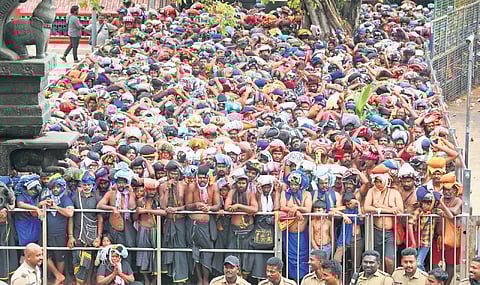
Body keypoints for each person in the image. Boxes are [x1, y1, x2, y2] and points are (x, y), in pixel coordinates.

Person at [186, 164, 221, 285]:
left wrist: (209, 208)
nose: (202, 180)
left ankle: (206, 280)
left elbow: (218, 205)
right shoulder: (191, 186)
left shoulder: (214, 187)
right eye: (199, 177)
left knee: (207, 252)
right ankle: (199, 280)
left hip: (207, 225)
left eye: (204, 178)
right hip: (193, 225)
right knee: (194, 251)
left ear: (208, 178)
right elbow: (187, 206)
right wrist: (196, 205)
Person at [68, 172, 103, 285]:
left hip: (91, 235)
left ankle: (85, 282)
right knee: (76, 260)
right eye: (84, 184)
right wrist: (70, 236)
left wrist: (98, 237)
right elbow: (71, 218)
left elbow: (100, 219)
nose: (86, 187)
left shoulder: (97, 198)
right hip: (78, 234)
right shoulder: (75, 197)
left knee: (88, 262)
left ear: (93, 185)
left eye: (89, 184)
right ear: (81, 185)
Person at [39, 176, 74, 285]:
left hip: (60, 233)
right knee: (43, 254)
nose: (55, 189)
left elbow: (70, 213)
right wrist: (41, 204)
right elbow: (37, 210)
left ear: (62, 187)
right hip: (46, 233)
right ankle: (58, 275)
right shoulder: (47, 197)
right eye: (53, 187)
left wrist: (56, 207)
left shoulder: (65, 199)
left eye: (58, 187)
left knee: (60, 257)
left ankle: (59, 280)